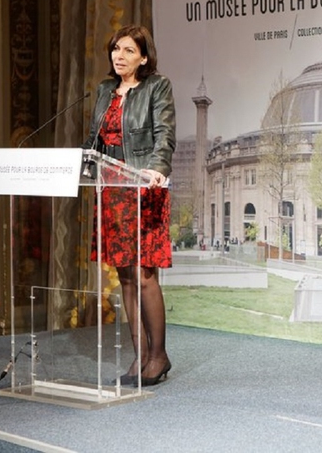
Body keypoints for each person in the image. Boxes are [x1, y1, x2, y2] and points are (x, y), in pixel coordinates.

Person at [82, 24, 176, 387]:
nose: (119, 56)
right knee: (124, 275)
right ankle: (140, 355)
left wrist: (157, 169)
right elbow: (94, 140)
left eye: (128, 51)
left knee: (143, 274)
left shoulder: (157, 86)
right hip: (111, 190)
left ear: (144, 58)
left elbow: (164, 134)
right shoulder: (105, 90)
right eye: (115, 49)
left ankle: (159, 356)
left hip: (143, 188)